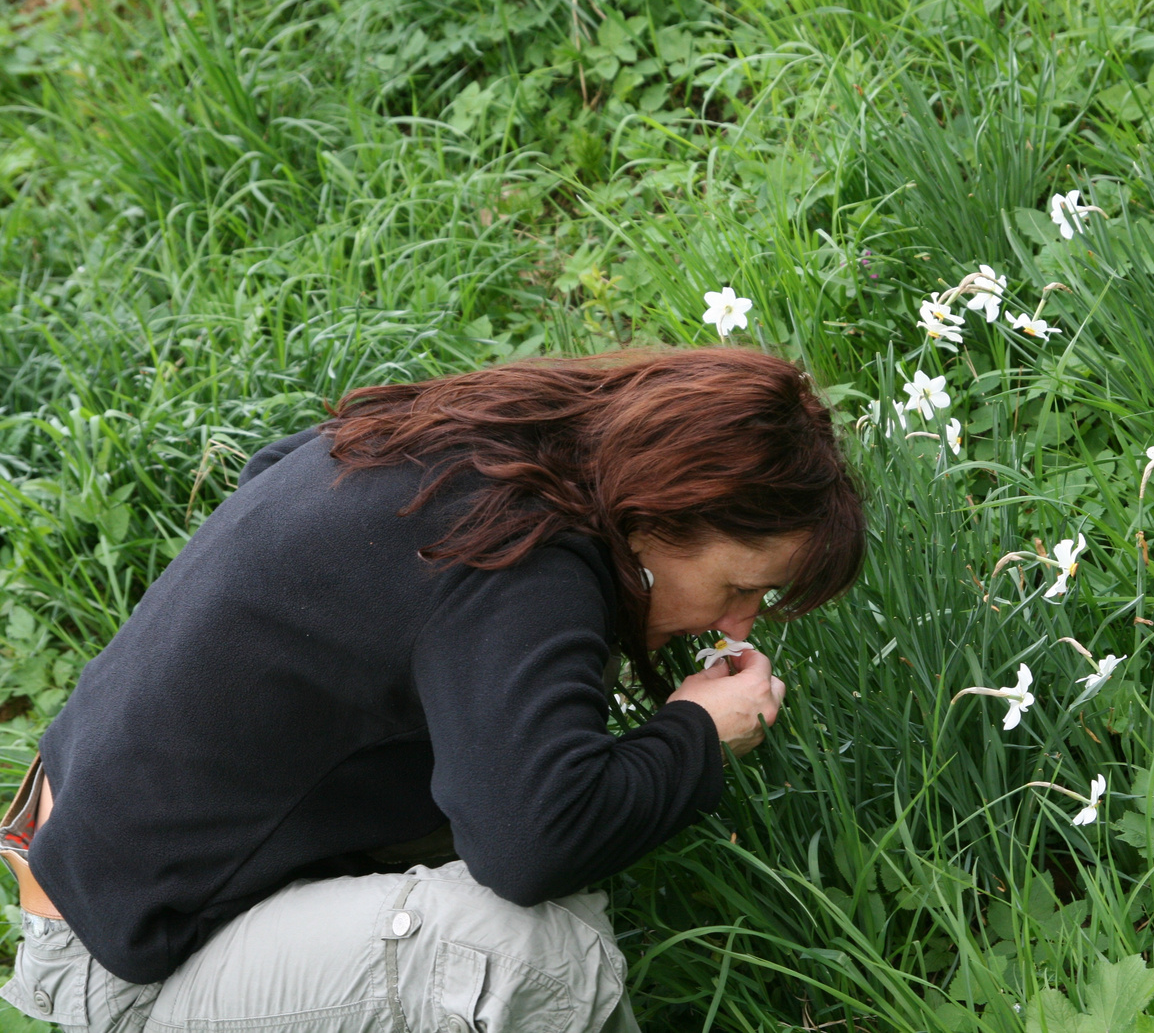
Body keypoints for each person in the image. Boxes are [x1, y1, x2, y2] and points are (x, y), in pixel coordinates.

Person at [0, 346, 865, 1033]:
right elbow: (534, 842)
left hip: (77, 848)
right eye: (740, 586)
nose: (742, 624)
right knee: (528, 952)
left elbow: (267, 467)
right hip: (120, 961)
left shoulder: (483, 442)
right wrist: (695, 734)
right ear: (662, 511)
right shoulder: (520, 558)